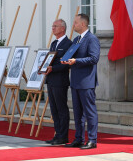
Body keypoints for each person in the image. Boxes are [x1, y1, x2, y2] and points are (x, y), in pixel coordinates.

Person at [62, 14, 100, 150]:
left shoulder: (92, 39)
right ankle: (78, 138)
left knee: (90, 112)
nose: (73, 25)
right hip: (76, 81)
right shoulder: (77, 39)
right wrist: (66, 59)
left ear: (83, 24)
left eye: (76, 23)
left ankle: (92, 140)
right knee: (78, 113)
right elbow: (71, 55)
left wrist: (76, 61)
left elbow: (94, 58)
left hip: (86, 82)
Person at [43, 19, 72, 145]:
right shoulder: (54, 43)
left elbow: (66, 64)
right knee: (54, 110)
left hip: (60, 80)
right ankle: (57, 134)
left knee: (61, 109)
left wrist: (52, 68)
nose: (53, 28)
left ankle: (63, 136)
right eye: (52, 26)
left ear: (62, 28)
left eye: (55, 26)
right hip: (51, 80)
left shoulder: (68, 44)